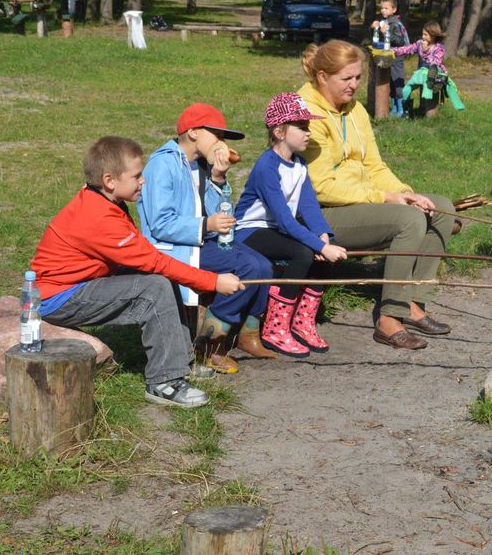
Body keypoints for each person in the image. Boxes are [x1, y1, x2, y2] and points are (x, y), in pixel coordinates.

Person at [30, 136, 244, 408]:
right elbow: (155, 261)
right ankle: (164, 381)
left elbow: (147, 257)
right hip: (57, 298)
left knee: (161, 278)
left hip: (79, 282)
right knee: (153, 287)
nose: (143, 181)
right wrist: (212, 281)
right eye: (137, 176)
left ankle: (180, 361)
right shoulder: (100, 216)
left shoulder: (104, 200)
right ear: (110, 180)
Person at [297, 39, 455, 350]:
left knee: (441, 209)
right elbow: (320, 187)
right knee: (408, 220)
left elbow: (375, 166)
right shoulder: (307, 113)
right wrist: (385, 199)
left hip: (359, 202)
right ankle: (389, 318)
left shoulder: (355, 111)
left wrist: (407, 193)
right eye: (347, 79)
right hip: (319, 214)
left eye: (358, 77)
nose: (355, 85)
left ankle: (413, 301)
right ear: (322, 77)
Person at [138, 103, 275, 374]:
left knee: (263, 265)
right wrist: (205, 224)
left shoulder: (200, 165)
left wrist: (219, 178)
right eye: (216, 134)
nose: (220, 142)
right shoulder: (162, 164)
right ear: (192, 132)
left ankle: (248, 333)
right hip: (176, 247)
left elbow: (220, 212)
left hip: (204, 239)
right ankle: (210, 343)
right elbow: (160, 223)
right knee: (247, 267)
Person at [235, 93, 348, 357]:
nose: (308, 132)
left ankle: (302, 321)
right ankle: (275, 327)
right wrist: (317, 244)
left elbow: (309, 207)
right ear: (279, 131)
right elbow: (285, 219)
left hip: (273, 230)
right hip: (248, 230)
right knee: (303, 252)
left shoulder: (299, 165)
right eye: (302, 127)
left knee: (323, 254)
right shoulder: (267, 166)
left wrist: (324, 238)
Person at [393, 21, 465, 115]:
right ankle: (408, 112)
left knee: (432, 70)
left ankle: (434, 82)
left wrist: (426, 51)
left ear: (434, 35)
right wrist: (393, 51)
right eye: (422, 34)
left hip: (436, 71)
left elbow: (435, 63)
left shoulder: (439, 48)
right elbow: (407, 49)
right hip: (421, 73)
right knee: (406, 90)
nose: (423, 37)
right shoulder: (420, 44)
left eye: (426, 35)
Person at [371, 0, 410, 118]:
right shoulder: (384, 21)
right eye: (382, 8)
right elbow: (378, 39)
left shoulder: (395, 23)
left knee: (398, 82)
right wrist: (374, 28)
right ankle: (394, 108)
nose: (383, 11)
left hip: (396, 57)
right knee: (391, 83)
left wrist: (385, 32)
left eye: (386, 8)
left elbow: (400, 41)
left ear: (394, 9)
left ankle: (402, 109)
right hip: (387, 56)